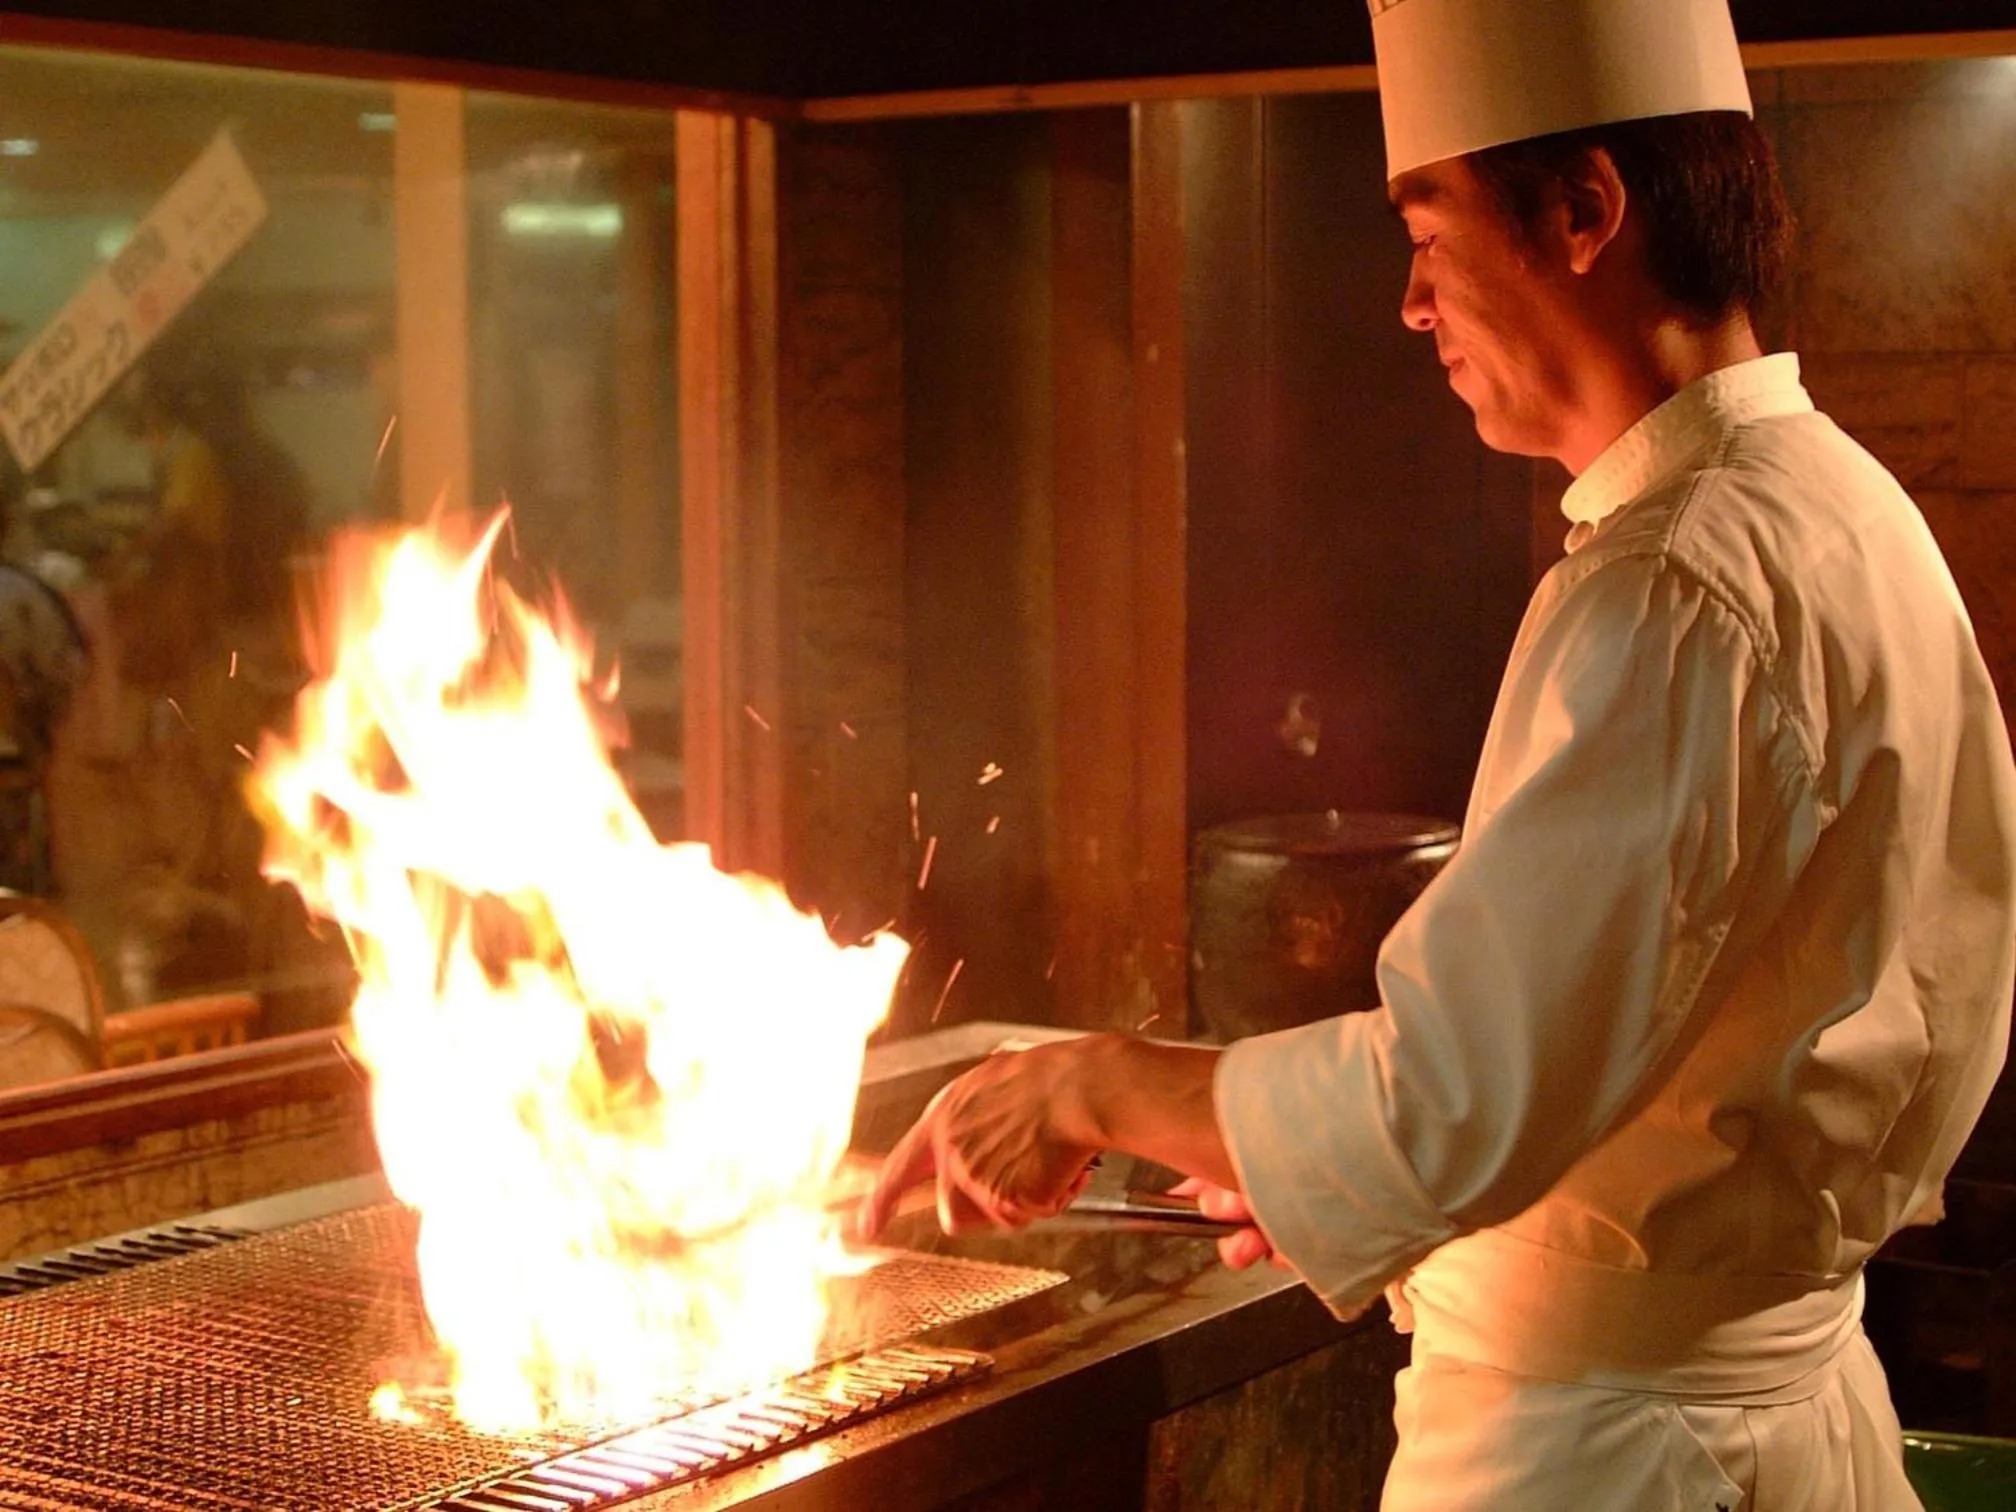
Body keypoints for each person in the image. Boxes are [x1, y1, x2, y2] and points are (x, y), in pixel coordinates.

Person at [858, 1, 2016, 1506]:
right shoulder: (1845, 505)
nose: (1411, 305)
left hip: (1608, 1458)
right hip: (1771, 1418)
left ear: (1586, 210)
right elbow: (1632, 1058)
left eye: (1429, 233)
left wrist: (1082, 1086)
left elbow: (1448, 1102)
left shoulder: (1672, 583)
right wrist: (1328, 1164)